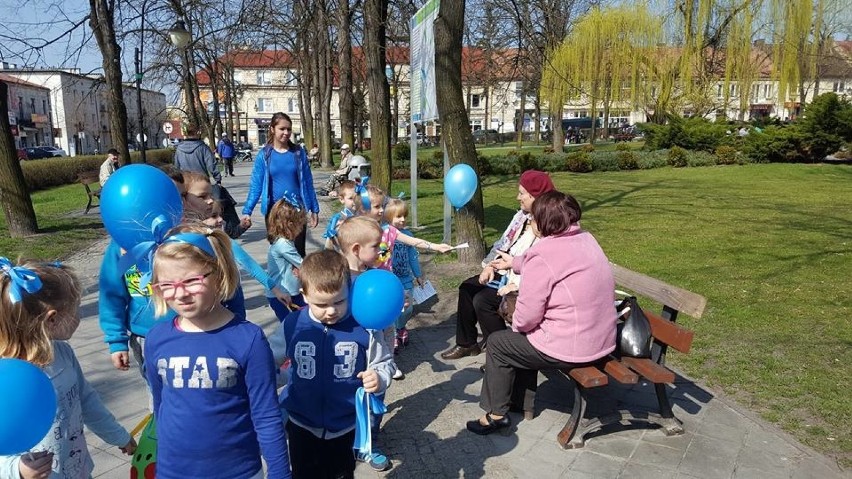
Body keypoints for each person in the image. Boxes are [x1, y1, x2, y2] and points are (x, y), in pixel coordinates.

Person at [144, 224, 291, 479]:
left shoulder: (248, 339)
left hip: (238, 472)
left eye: (191, 281)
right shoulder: (157, 339)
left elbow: (266, 416)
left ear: (218, 274)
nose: (180, 294)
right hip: (173, 471)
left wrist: (279, 472)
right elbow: (161, 408)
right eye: (167, 285)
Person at [466, 191, 617, 436]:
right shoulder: (586, 239)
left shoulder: (544, 255)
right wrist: (514, 263)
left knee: (499, 342)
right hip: (601, 339)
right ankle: (520, 404)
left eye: (534, 217)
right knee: (522, 338)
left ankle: (496, 415)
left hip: (572, 348)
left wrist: (515, 321)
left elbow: (526, 318)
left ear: (543, 222)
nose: (531, 221)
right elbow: (550, 262)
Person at [0, 259, 137, 478]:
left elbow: (87, 401)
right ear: (52, 319)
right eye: (76, 309)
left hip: (78, 470)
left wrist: (118, 436)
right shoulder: (6, 378)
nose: (79, 316)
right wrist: (16, 470)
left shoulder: (62, 354)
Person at [268, 250, 394, 478]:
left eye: (339, 301)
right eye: (321, 304)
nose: (331, 311)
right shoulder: (294, 324)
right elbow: (267, 360)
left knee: (342, 473)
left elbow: (384, 362)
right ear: (304, 295)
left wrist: (379, 377)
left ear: (350, 291)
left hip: (345, 424)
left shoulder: (363, 326)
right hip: (300, 422)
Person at [440, 170, 555, 361]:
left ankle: (501, 354)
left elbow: (539, 264)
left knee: (482, 301)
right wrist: (489, 267)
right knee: (468, 288)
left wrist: (509, 275)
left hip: (520, 279)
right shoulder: (521, 217)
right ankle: (467, 344)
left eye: (521, 193)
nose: (517, 197)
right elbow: (502, 244)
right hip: (505, 270)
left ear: (535, 196)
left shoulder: (547, 222)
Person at [241, 112, 320, 258]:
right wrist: (247, 211)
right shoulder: (264, 155)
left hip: (296, 211)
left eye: (289, 129)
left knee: (298, 254)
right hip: (274, 212)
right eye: (282, 129)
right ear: (272, 129)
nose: (286, 133)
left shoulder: (298, 153)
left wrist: (314, 208)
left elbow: (308, 182)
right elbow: (256, 185)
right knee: (279, 254)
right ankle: (281, 281)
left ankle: (299, 281)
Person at [383, 198, 424, 354]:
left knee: (407, 309)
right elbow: (380, 256)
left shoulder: (408, 235)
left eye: (404, 216)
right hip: (391, 280)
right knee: (393, 308)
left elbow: (413, 256)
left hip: (406, 278)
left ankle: (401, 327)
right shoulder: (384, 234)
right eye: (398, 216)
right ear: (388, 216)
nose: (403, 220)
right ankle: (392, 334)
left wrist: (418, 274)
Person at [266, 196, 307, 320]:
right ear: (290, 225)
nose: (301, 229)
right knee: (293, 326)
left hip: (291, 292)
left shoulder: (285, 242)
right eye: (300, 224)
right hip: (284, 295)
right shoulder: (283, 245)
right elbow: (305, 265)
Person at [323, 180, 359, 250]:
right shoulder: (337, 219)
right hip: (342, 253)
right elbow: (329, 240)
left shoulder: (363, 216)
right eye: (351, 198)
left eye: (357, 197)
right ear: (342, 199)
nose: (355, 201)